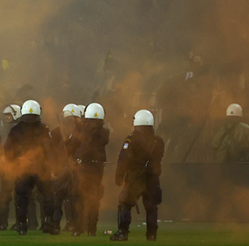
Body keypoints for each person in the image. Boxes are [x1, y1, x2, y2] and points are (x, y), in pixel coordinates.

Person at [110, 109, 164, 242]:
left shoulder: (131, 139)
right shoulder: (159, 141)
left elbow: (124, 160)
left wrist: (119, 177)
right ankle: (152, 235)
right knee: (151, 207)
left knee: (125, 204)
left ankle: (123, 232)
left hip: (135, 178)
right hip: (153, 178)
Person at [4, 99, 56, 235]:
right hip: (41, 168)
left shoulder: (16, 129)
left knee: (21, 197)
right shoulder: (44, 128)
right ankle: (48, 223)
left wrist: (14, 164)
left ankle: (21, 225)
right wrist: (52, 167)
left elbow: (7, 149)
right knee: (48, 196)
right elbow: (50, 149)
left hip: (23, 168)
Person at [68, 102, 109, 237]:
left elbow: (71, 147)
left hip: (83, 167)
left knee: (78, 198)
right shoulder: (104, 132)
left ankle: (77, 229)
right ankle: (91, 229)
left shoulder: (81, 131)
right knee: (93, 199)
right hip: (97, 169)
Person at [0, 104, 38, 231]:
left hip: (21, 168)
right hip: (7, 167)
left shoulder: (21, 129)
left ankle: (29, 222)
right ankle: (2, 222)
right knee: (5, 196)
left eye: (9, 115)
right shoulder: (6, 130)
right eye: (6, 115)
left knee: (25, 196)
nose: (7, 118)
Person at [50, 103, 80, 234]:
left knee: (69, 198)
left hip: (72, 168)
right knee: (61, 197)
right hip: (64, 168)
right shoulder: (58, 134)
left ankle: (69, 224)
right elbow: (55, 153)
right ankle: (57, 224)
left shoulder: (78, 134)